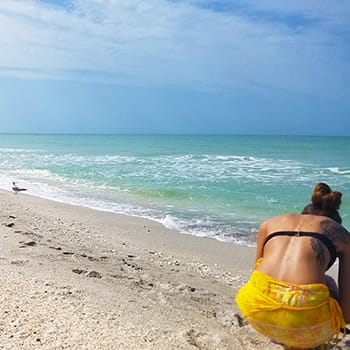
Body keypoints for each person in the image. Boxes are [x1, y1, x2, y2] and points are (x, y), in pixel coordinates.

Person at [236, 183, 350, 349]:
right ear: (334, 221)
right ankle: (299, 338)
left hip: (254, 308)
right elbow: (346, 314)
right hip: (303, 316)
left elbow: (259, 277)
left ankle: (285, 336)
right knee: (328, 284)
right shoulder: (342, 235)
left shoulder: (268, 224)